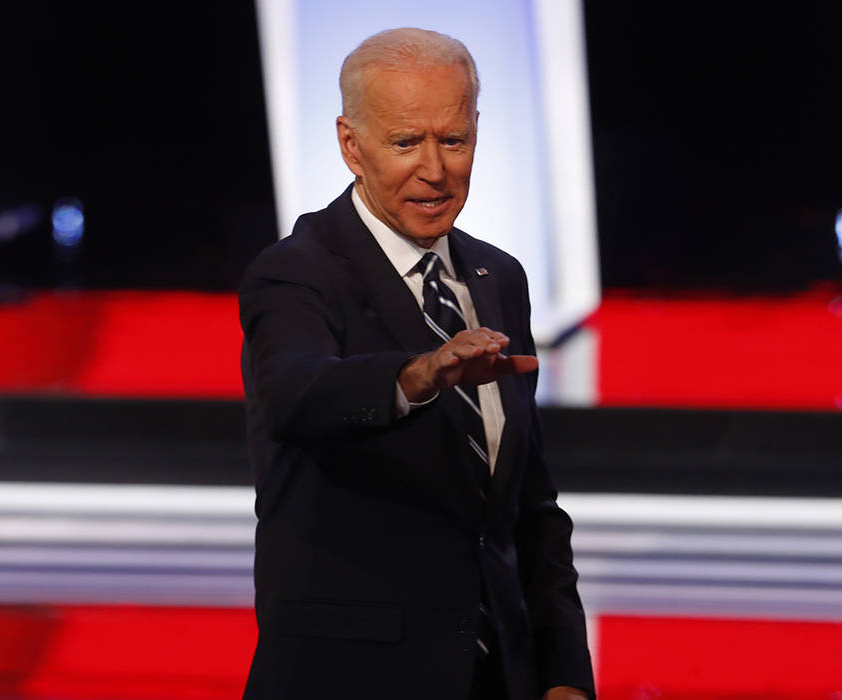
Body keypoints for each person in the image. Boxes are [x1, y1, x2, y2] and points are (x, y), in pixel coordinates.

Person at [239, 27, 594, 699]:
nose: (434, 169)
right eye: (406, 143)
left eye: (453, 140)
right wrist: (420, 375)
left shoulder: (498, 278)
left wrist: (565, 676)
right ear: (351, 144)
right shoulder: (295, 274)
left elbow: (529, 508)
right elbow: (298, 397)